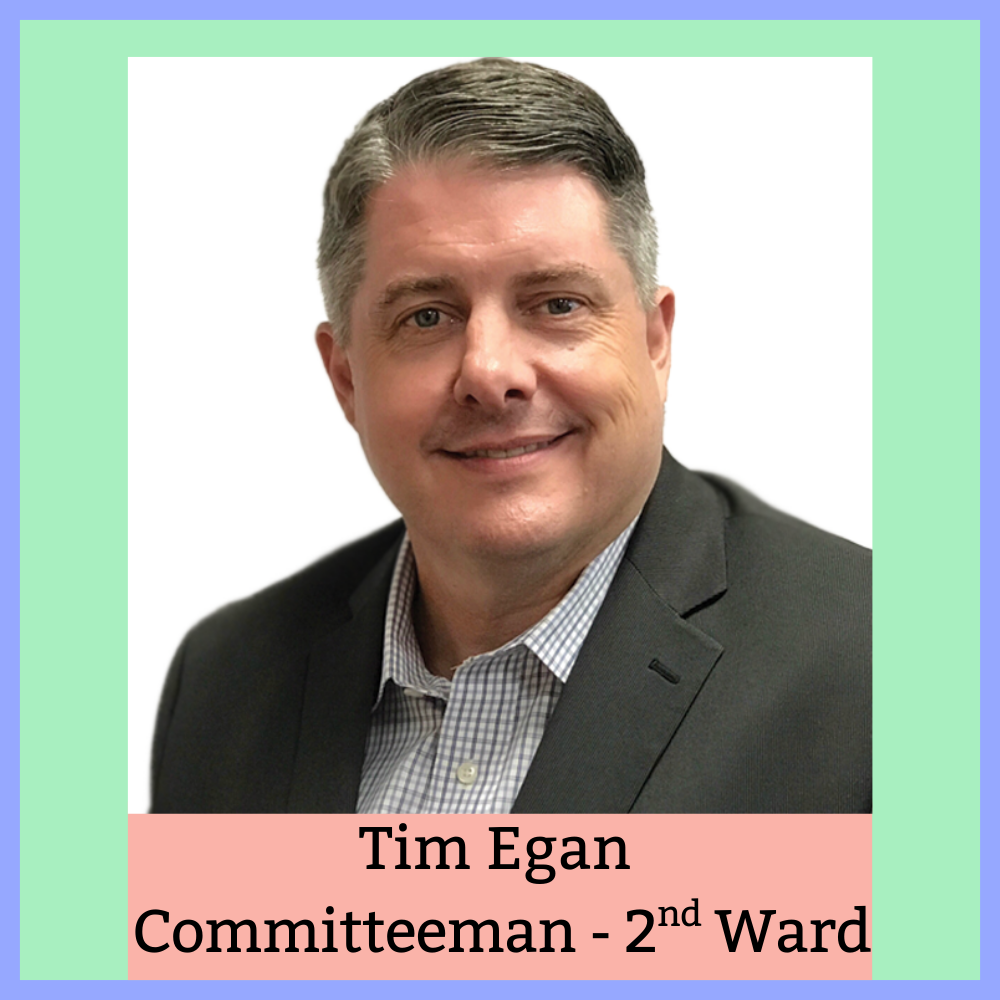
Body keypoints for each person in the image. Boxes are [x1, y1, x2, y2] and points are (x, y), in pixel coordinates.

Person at [151, 58, 871, 814]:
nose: (490, 374)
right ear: (347, 380)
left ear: (656, 342)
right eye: (426, 316)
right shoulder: (222, 686)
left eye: (557, 304)